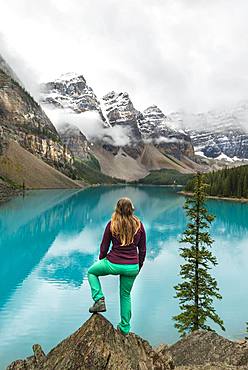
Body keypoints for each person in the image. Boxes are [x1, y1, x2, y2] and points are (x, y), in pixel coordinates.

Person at [87, 197, 146, 335]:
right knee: (125, 295)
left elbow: (104, 247)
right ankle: (124, 328)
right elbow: (142, 250)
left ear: (117, 209)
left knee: (92, 272)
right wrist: (138, 266)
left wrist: (102, 261)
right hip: (132, 266)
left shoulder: (112, 224)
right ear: (131, 209)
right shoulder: (139, 225)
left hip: (113, 263)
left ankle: (99, 300)